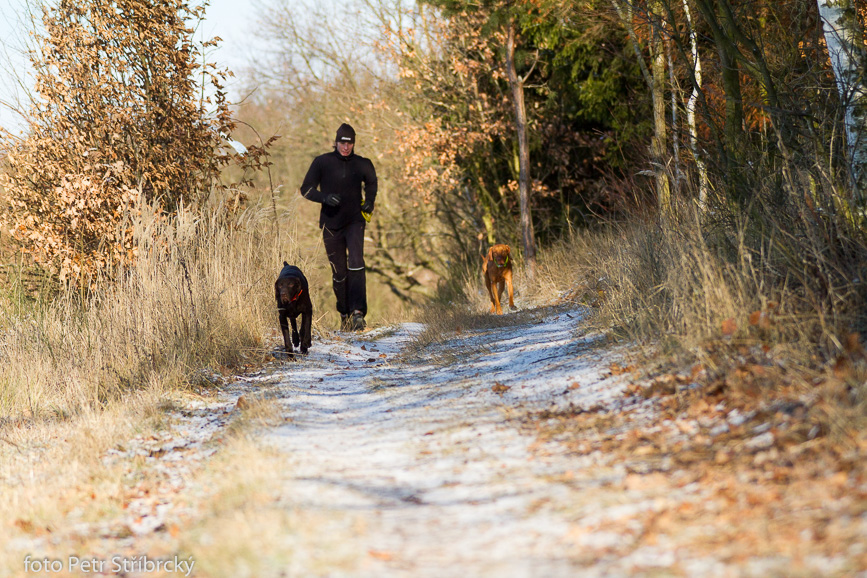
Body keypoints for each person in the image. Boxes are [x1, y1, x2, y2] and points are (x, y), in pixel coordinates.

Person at [300, 123, 377, 330]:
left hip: (354, 221)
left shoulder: (362, 164)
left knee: (356, 261)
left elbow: (371, 181)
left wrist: (370, 200)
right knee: (339, 272)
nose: (346, 146)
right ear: (336, 142)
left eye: (350, 142)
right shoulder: (322, 162)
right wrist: (324, 197)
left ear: (353, 143)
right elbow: (306, 189)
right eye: (342, 142)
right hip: (331, 224)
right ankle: (344, 313)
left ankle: (358, 313)